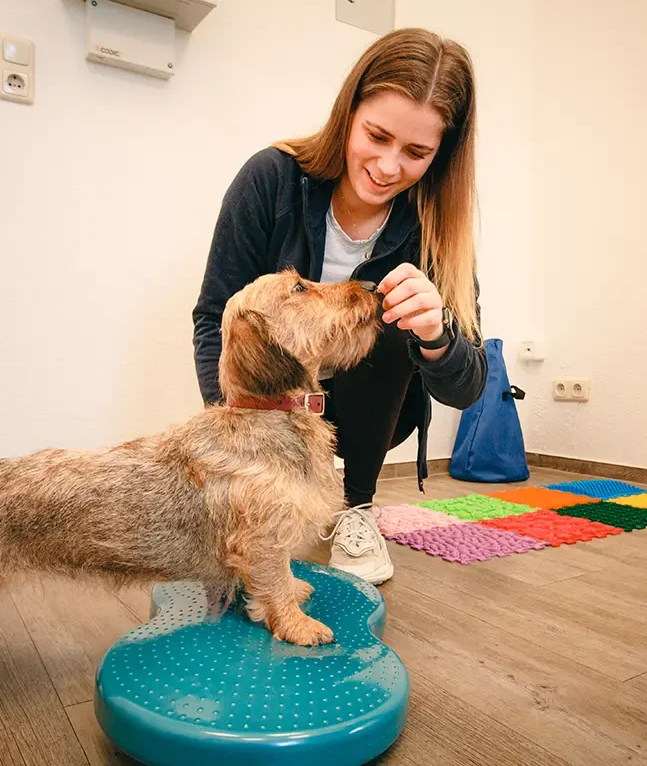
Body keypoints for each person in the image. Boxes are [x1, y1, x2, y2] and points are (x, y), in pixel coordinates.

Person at [192, 28, 488, 585]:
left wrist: (437, 334)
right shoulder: (270, 179)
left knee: (396, 320)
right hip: (271, 404)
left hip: (373, 411)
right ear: (348, 112)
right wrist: (236, 432)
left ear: (440, 155)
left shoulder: (436, 229)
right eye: (376, 135)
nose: (387, 166)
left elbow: (468, 387)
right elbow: (215, 318)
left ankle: (355, 508)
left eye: (417, 152)